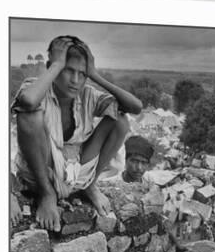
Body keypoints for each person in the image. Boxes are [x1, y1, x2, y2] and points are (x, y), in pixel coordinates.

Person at [11, 35, 143, 231]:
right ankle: (48, 195)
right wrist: (56, 66)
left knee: (120, 120)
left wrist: (94, 74)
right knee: (29, 115)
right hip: (40, 175)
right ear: (52, 67)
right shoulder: (36, 88)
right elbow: (28, 101)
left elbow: (136, 107)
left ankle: (89, 185)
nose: (75, 80)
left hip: (77, 174)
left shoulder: (88, 95)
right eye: (68, 71)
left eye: (81, 74)